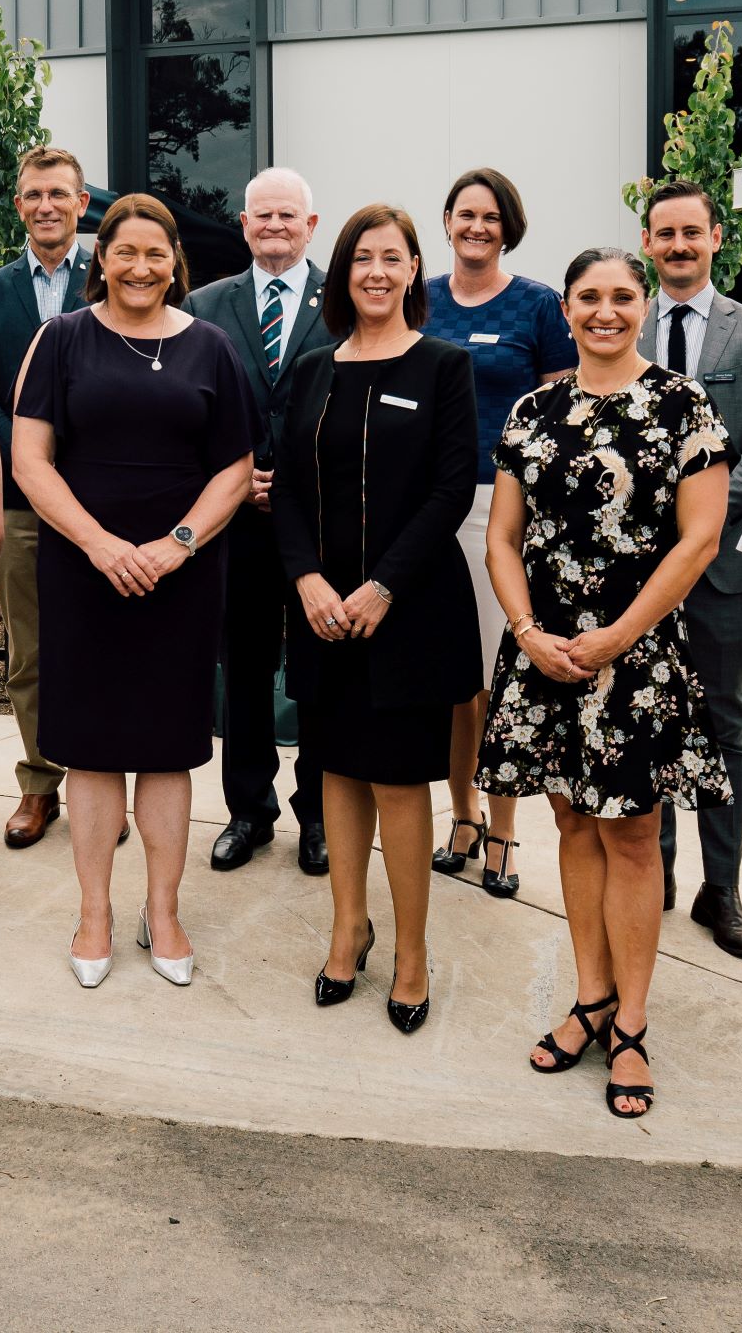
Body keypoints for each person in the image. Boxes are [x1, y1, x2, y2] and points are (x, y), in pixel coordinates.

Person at [477, 248, 732, 1120]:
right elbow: (501, 539)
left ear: (642, 304)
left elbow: (696, 540)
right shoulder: (532, 409)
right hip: (542, 648)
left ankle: (630, 1022)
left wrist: (617, 637)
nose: (605, 311)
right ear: (568, 307)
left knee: (632, 833)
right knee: (570, 818)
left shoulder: (681, 404)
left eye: (622, 296)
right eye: (588, 297)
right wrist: (526, 633)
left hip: (636, 650)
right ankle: (588, 998)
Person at [14, 194, 255, 988]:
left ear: (174, 262)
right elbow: (29, 461)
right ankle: (94, 912)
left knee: (166, 748)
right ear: (101, 259)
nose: (141, 267)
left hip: (179, 576)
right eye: (125, 252)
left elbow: (233, 469)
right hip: (84, 569)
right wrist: (101, 545)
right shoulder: (61, 341)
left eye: (156, 254)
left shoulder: (212, 347)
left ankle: (164, 909)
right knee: (89, 749)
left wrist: (176, 544)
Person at [274, 205, 478, 1033]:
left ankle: (412, 953)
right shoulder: (312, 369)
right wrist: (308, 581)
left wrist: (382, 587)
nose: (375, 273)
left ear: (413, 270)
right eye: (361, 258)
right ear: (341, 273)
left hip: (409, 608)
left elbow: (450, 489)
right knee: (334, 771)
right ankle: (345, 927)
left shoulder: (442, 367)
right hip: (322, 612)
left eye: (392, 258)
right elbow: (282, 486)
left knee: (398, 782)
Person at [636, 179, 742, 958]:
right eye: (663, 234)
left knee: (722, 723)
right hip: (632, 570)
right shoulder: (618, 322)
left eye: (690, 233)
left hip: (721, 566)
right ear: (646, 243)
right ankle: (654, 872)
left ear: (714, 238)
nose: (677, 246)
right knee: (645, 720)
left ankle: (721, 888)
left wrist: (692, 512)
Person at [422, 169, 573, 900]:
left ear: (506, 226)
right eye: (464, 215)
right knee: (453, 679)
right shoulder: (420, 301)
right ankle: (459, 814)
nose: (476, 227)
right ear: (446, 222)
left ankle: (504, 831)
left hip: (506, 508)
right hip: (430, 506)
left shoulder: (538, 305)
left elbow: (564, 409)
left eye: (489, 217)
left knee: (501, 677)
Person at [185, 168, 337, 874]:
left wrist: (301, 483)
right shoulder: (203, 305)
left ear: (310, 227)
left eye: (287, 216)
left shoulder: (347, 301)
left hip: (321, 525)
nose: (274, 227)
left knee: (317, 672)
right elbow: (191, 411)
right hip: (236, 525)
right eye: (261, 216)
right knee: (242, 670)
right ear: (243, 226)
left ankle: (318, 816)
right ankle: (248, 811)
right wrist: (233, 479)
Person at [0, 146, 90, 848]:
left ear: (80, 204)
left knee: (101, 650)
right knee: (30, 653)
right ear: (19, 206)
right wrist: (32, 451)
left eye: (59, 194)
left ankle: (104, 781)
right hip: (19, 502)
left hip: (102, 499)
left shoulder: (109, 279)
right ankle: (39, 786)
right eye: (33, 194)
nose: (46, 205)